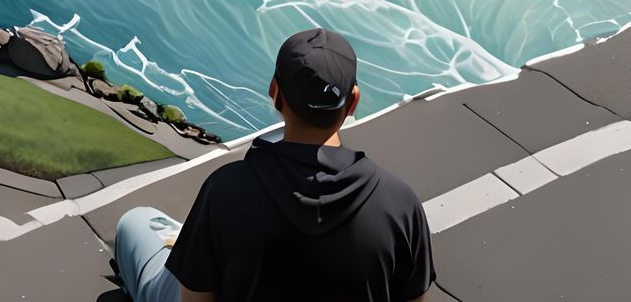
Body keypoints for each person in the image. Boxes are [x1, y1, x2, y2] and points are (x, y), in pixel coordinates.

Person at [113, 28, 434, 302]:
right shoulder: (401, 206)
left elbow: (194, 299)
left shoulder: (225, 190)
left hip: (221, 235)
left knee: (136, 222)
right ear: (353, 102)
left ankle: (182, 242)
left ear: (275, 92)